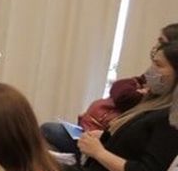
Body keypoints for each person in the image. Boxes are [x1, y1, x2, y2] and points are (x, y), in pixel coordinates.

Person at [66, 40, 178, 171]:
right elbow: (135, 144)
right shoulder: (153, 105)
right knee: (36, 170)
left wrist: (99, 152)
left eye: (159, 65)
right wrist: (106, 137)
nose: (151, 71)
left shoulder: (169, 120)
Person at [42, 22, 178, 155]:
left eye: (162, 41)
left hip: (102, 142)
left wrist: (99, 149)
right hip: (96, 134)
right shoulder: (153, 81)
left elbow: (124, 97)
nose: (156, 47)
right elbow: (120, 87)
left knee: (47, 131)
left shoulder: (163, 108)